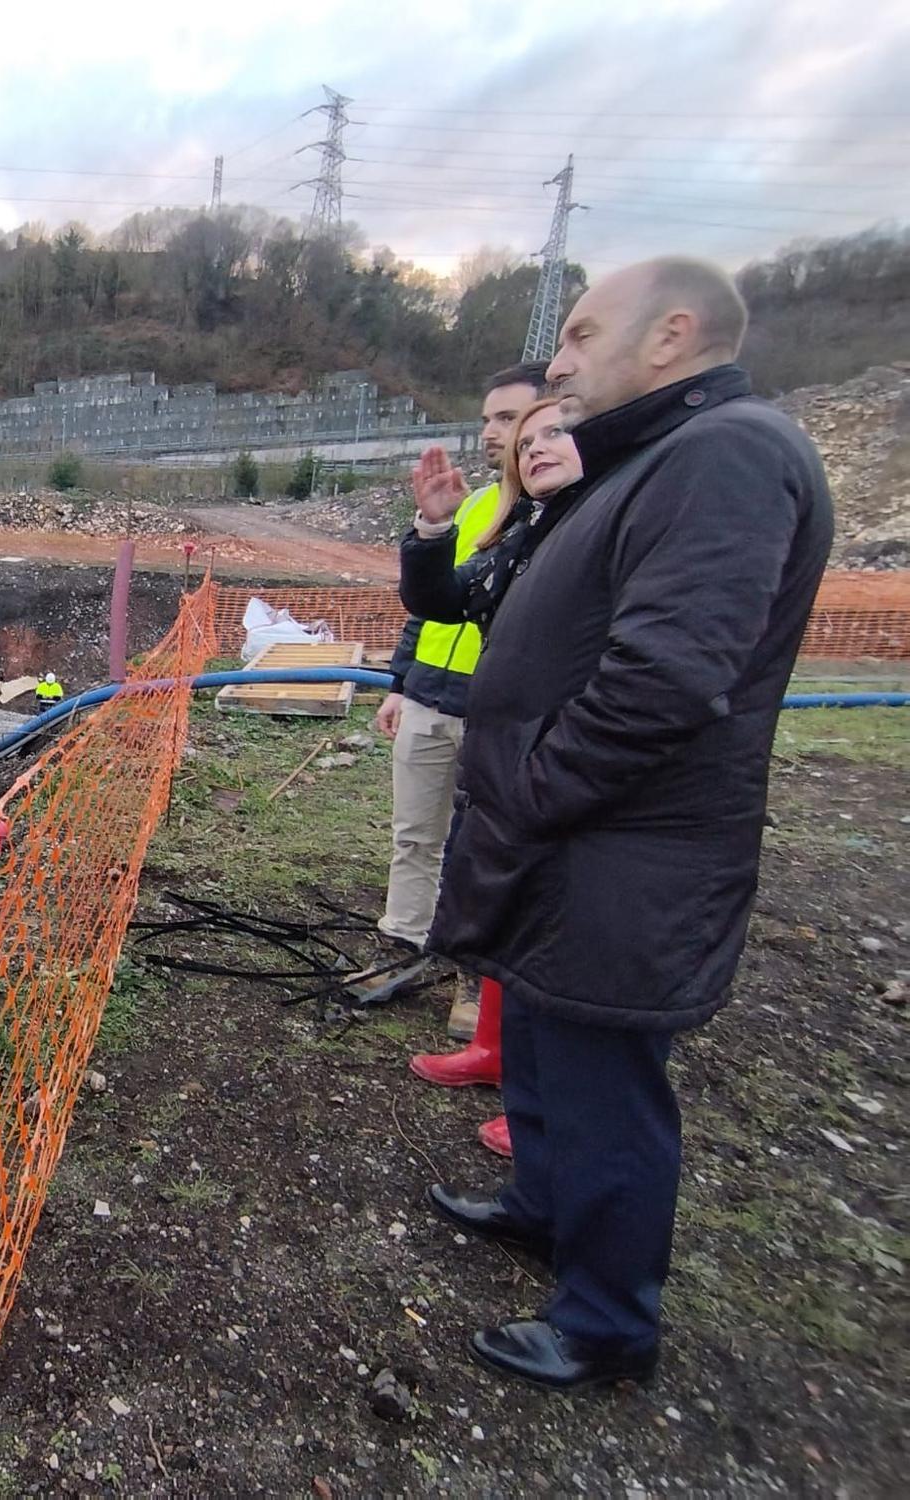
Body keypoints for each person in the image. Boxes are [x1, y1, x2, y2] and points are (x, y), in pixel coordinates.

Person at [405, 257, 832, 1391]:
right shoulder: (649, 457)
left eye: (584, 332)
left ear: (671, 335)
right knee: (545, 1037)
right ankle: (542, 1208)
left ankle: (604, 1323)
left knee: (603, 1078)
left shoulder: (725, 455)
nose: (559, 356)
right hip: (571, 837)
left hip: (621, 846)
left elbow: (665, 677)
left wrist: (534, 786)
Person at [402, 398, 584, 1155]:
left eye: (555, 432)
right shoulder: (524, 529)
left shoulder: (600, 526)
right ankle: (497, 1052)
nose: (530, 445)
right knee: (502, 895)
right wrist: (435, 530)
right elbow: (442, 599)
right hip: (499, 740)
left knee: (556, 919)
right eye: (525, 437)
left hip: (554, 748)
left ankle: (548, 1106)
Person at [379, 362, 549, 1043]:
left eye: (507, 419)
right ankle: (404, 939)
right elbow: (433, 607)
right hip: (430, 698)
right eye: (487, 418)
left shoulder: (560, 514)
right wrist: (400, 684)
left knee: (480, 850)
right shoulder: (478, 506)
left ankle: (474, 982)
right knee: (414, 832)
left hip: (498, 714)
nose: (490, 433)